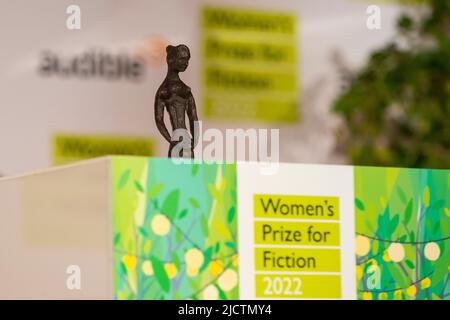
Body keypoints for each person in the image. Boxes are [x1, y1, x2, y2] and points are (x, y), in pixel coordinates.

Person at [154, 44, 198, 158]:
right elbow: (159, 120)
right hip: (182, 141)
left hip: (179, 141)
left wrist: (172, 140)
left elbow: (194, 118)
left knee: (184, 174)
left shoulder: (184, 90)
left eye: (187, 59)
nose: (186, 63)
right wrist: (171, 140)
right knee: (182, 174)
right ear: (171, 60)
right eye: (182, 59)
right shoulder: (165, 91)